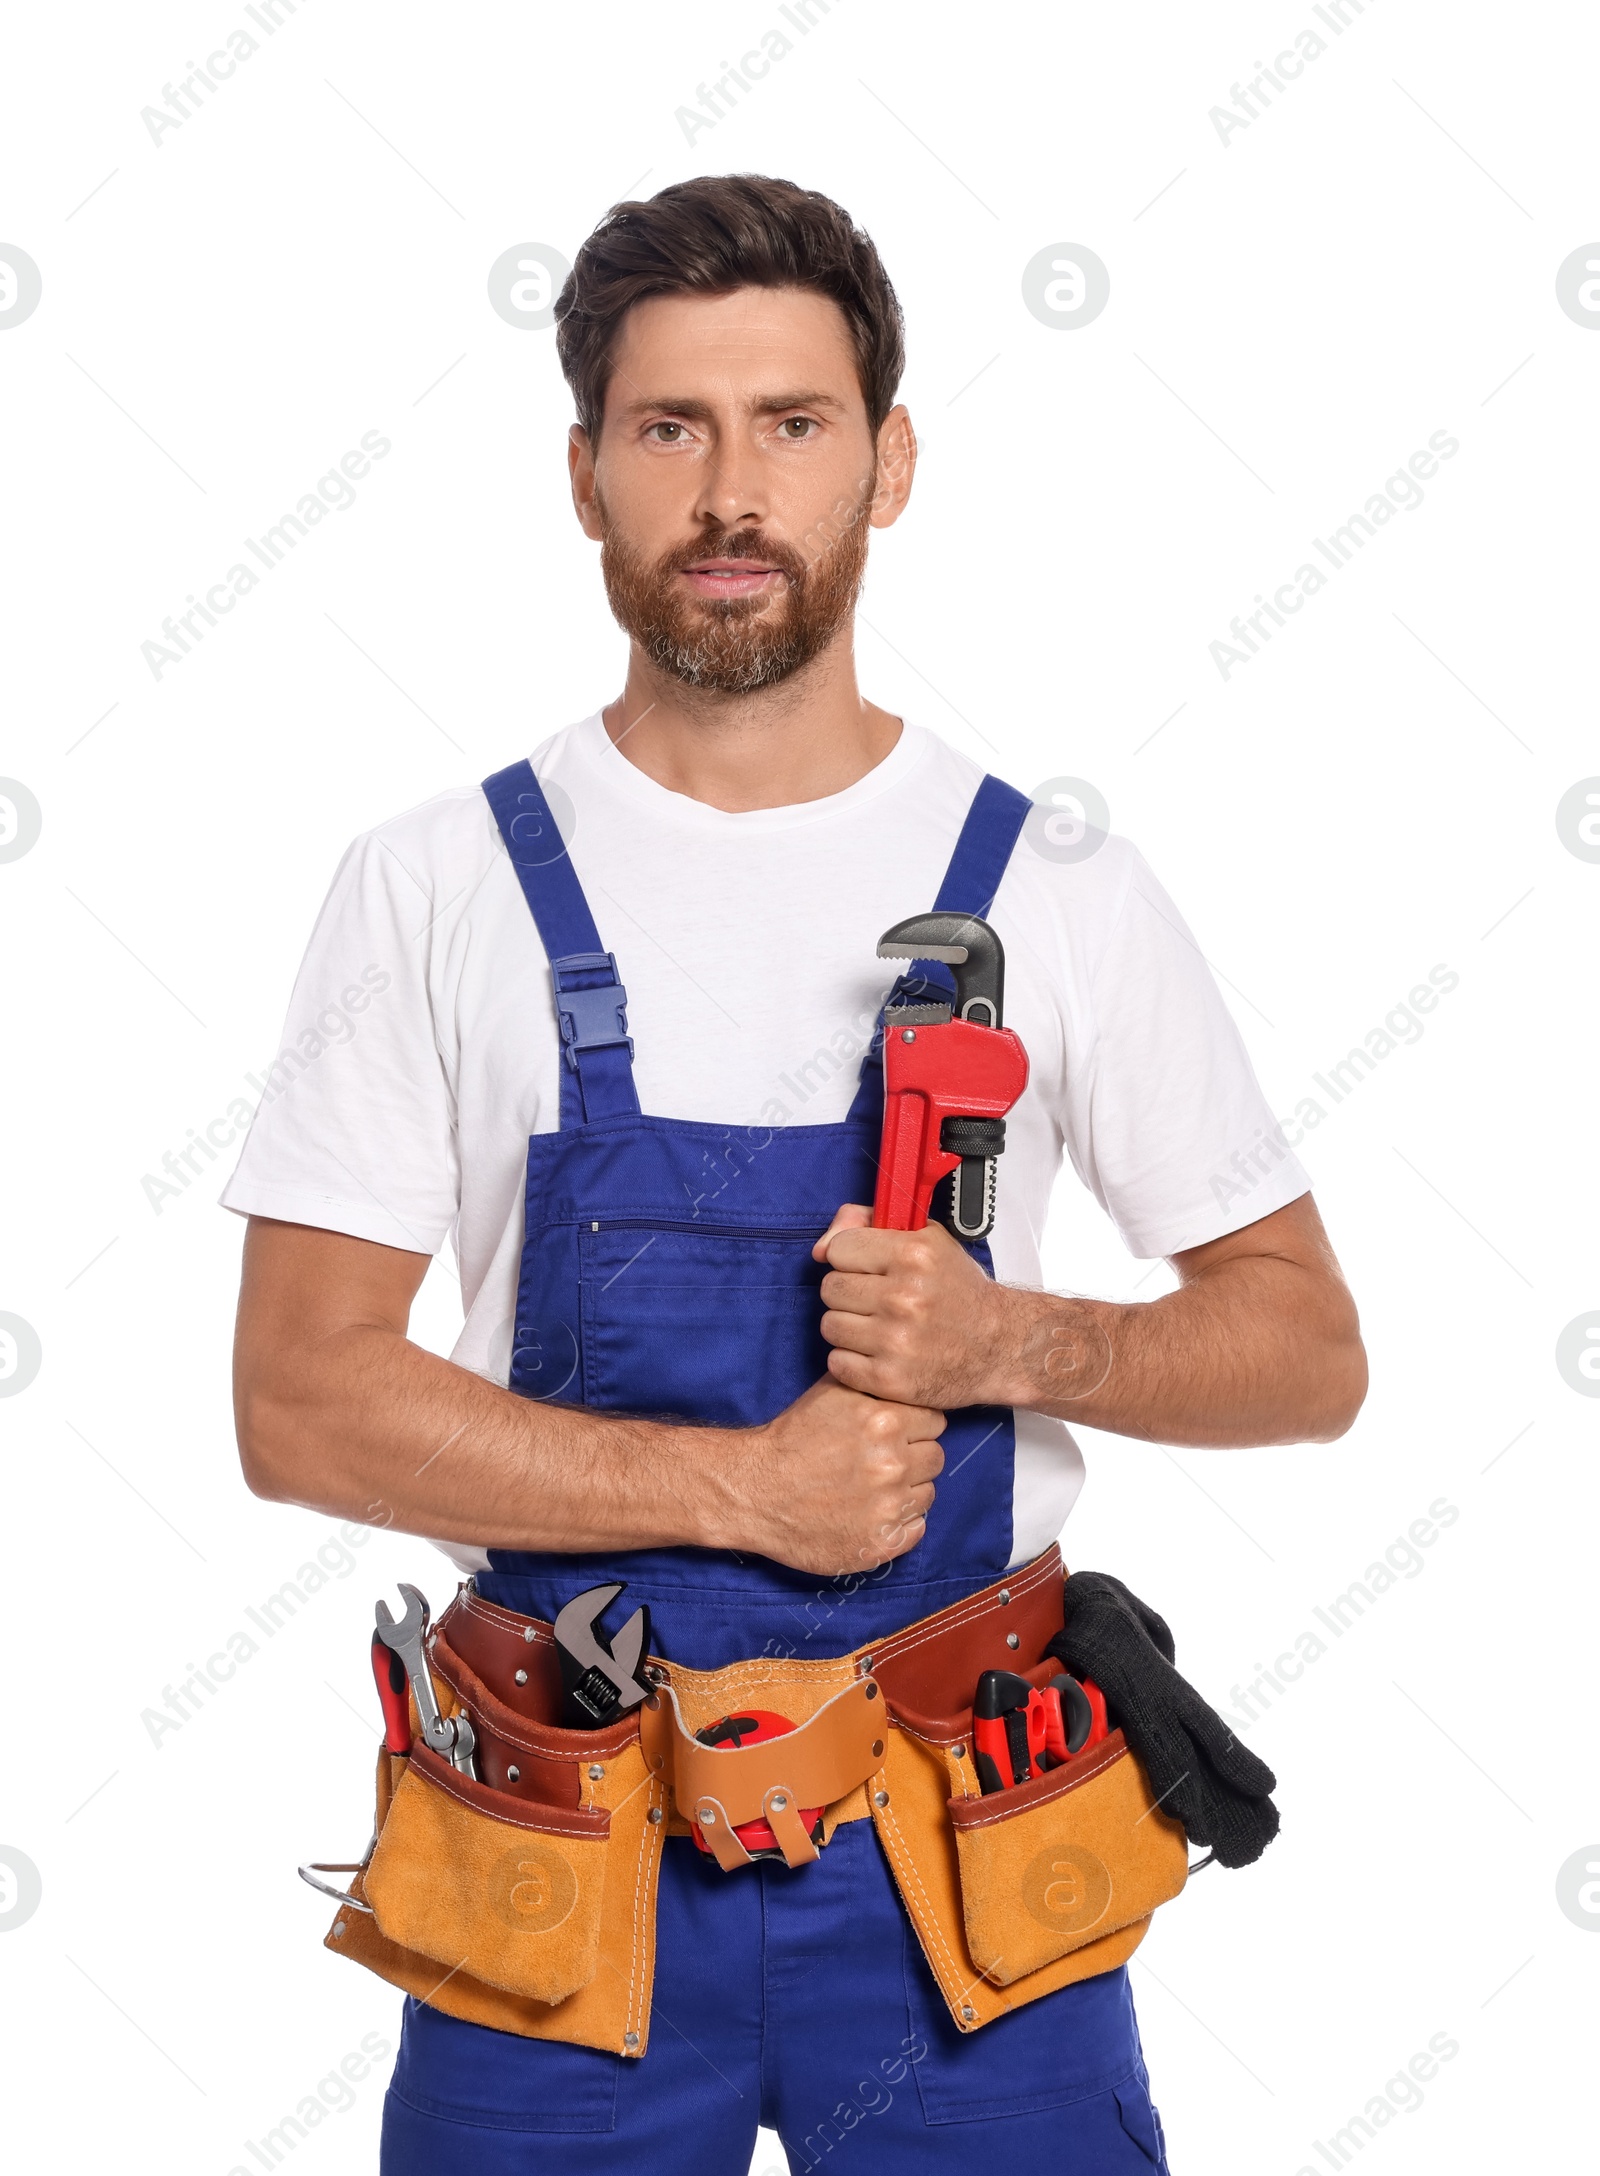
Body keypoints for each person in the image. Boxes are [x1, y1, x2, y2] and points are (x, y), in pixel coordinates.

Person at [226, 172, 1366, 2174]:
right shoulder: (432, 884)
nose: (729, 489)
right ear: (585, 475)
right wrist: (734, 1484)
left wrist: (1018, 1335)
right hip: (556, 1858)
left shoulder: (1059, 884)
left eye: (792, 422)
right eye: (669, 427)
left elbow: (1302, 1352)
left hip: (961, 1858)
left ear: (887, 462)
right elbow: (298, 1394)